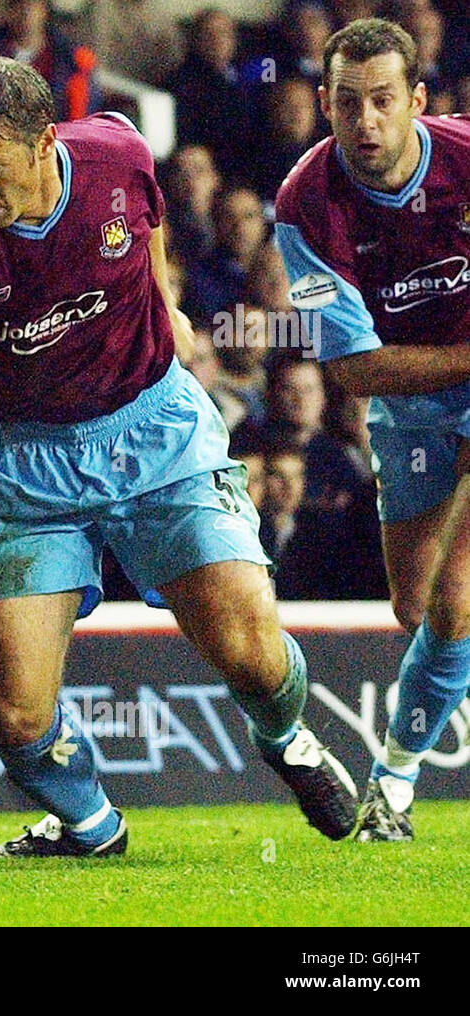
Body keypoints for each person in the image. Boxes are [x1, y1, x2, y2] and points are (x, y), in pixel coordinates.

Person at [0, 57, 359, 860]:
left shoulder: (117, 150)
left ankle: (286, 739)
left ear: (45, 144)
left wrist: (167, 302)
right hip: (23, 465)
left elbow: (146, 221)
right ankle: (89, 826)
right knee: (16, 719)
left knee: (250, 654)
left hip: (157, 433)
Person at [274, 17, 470, 840]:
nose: (366, 121)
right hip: (411, 400)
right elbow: (355, 370)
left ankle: (392, 785)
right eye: (347, 103)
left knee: (456, 603)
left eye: (384, 100)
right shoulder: (305, 203)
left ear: (418, 100)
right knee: (417, 602)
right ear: (324, 103)